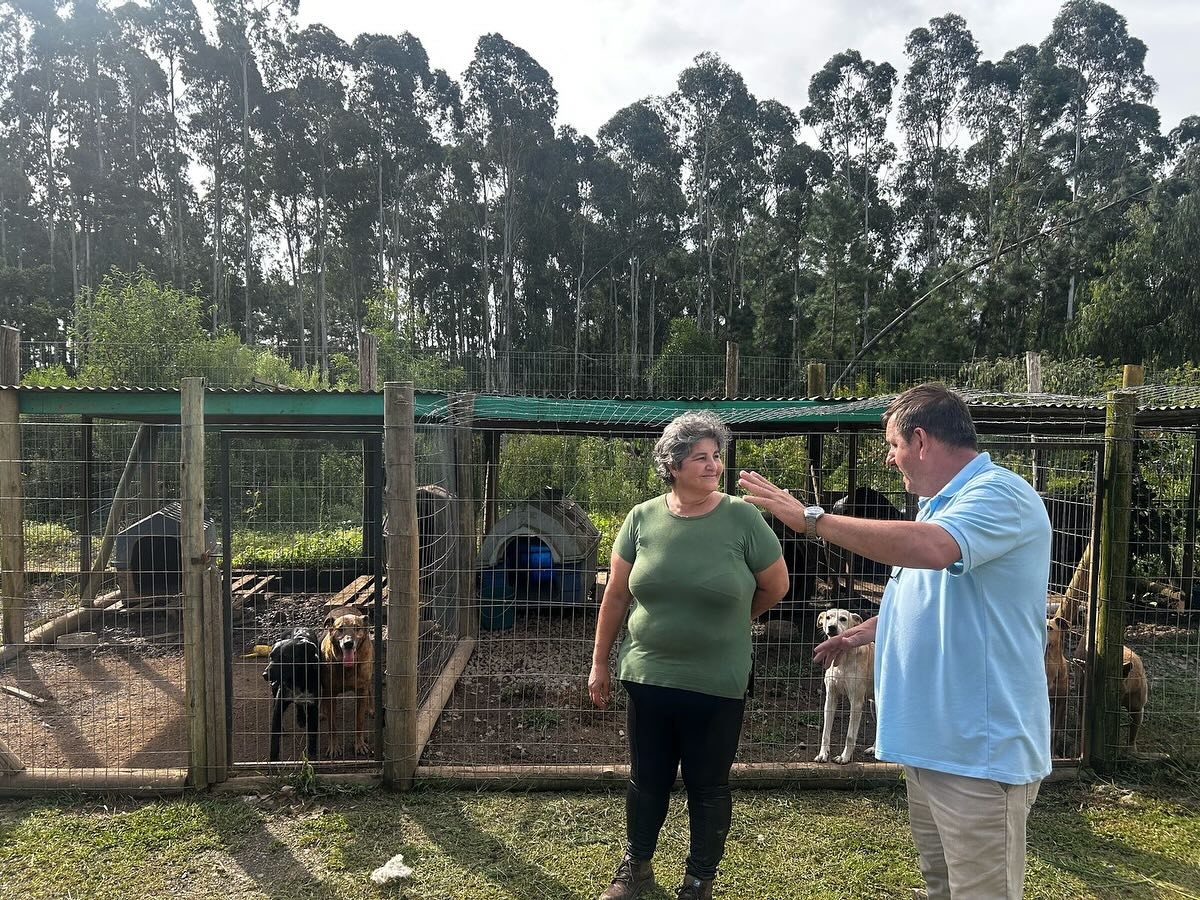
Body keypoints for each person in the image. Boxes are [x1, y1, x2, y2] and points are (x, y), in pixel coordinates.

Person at [739, 383, 1052, 900]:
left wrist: (812, 520)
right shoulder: (938, 505)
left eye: (893, 445)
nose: (889, 459)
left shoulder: (999, 493)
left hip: (978, 753)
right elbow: (934, 596)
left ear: (922, 441)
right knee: (943, 887)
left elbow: (932, 551)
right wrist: (868, 630)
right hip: (933, 747)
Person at [589, 411, 789, 900]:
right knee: (647, 778)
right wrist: (599, 664)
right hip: (648, 674)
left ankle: (698, 881)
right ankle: (636, 867)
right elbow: (615, 596)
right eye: (700, 457)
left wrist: (735, 621)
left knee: (707, 784)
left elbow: (776, 585)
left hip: (717, 680)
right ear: (673, 465)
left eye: (716, 456)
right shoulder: (641, 518)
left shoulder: (742, 517)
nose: (713, 465)